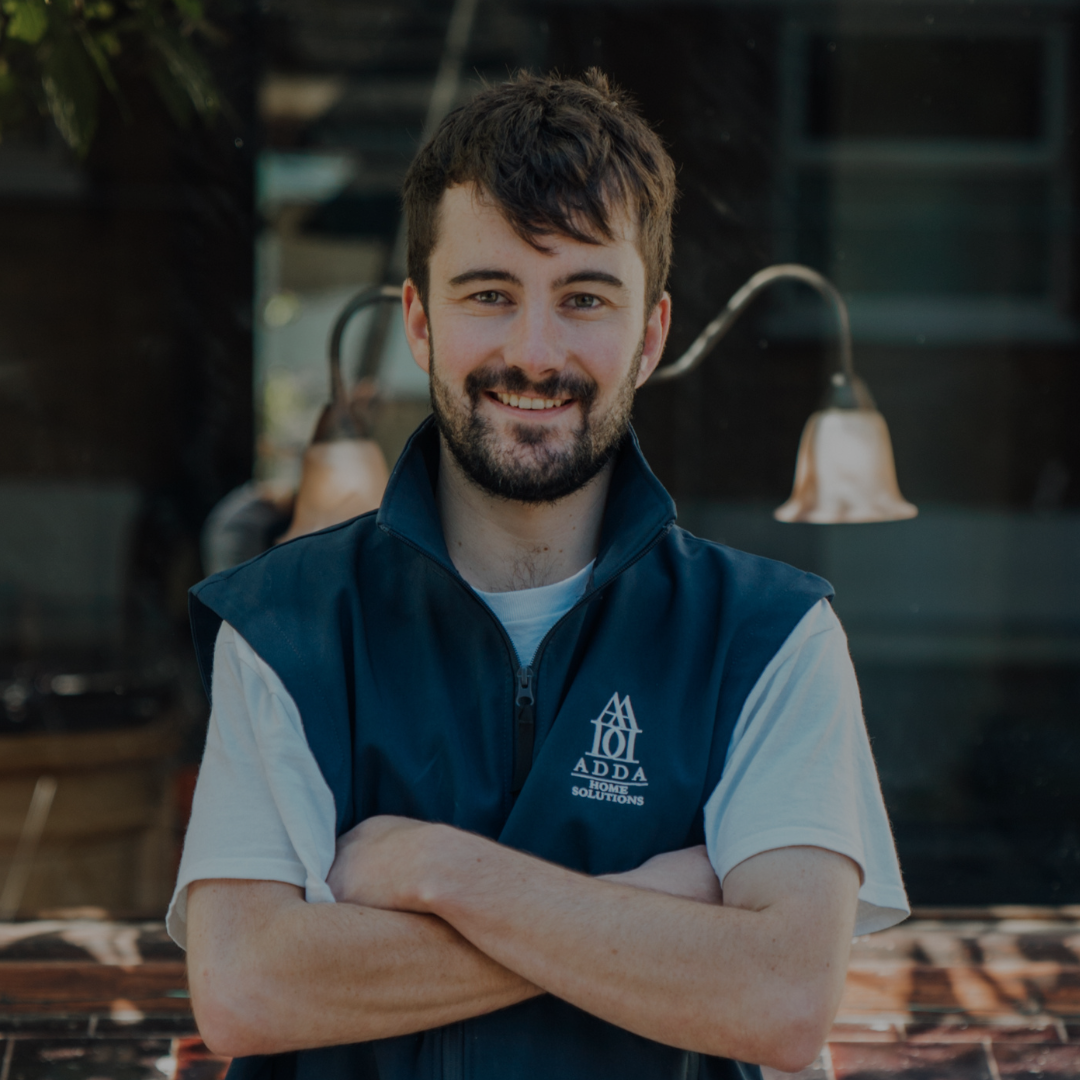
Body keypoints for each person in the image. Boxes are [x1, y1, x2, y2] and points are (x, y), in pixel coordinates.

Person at [171, 70, 908, 1080]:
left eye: (584, 298)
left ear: (648, 337)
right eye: (488, 294)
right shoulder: (289, 626)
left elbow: (781, 999)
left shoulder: (770, 637)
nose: (533, 350)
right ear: (419, 323)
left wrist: (438, 869)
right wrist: (655, 907)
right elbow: (250, 989)